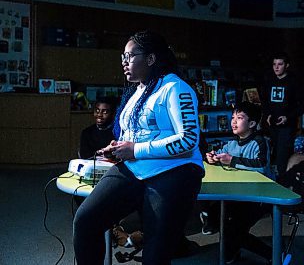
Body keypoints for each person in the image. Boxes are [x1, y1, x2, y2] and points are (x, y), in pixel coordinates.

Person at [73, 30, 205, 265]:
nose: (124, 63)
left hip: (174, 171)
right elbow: (135, 134)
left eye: (130, 56)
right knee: (85, 220)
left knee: (155, 252)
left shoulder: (176, 88)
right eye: (122, 57)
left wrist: (135, 149)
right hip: (135, 167)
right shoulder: (137, 91)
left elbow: (188, 141)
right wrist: (119, 148)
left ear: (151, 59)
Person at [202, 101, 273, 263]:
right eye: (233, 117)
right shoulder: (231, 143)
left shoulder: (260, 142)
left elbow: (261, 165)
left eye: (239, 118)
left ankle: (273, 255)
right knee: (222, 218)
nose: (233, 121)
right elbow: (220, 154)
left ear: (252, 123)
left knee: (233, 230)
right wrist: (212, 157)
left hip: (260, 196)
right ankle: (230, 251)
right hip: (239, 194)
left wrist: (231, 160)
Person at [261, 52, 303, 178]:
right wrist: (267, 115)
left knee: (282, 156)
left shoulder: (293, 82)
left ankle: (285, 183)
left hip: (287, 126)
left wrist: (288, 117)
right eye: (274, 64)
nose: (276, 67)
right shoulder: (269, 81)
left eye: (280, 64)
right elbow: (265, 101)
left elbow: (301, 105)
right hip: (272, 125)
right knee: (271, 155)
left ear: (287, 65)